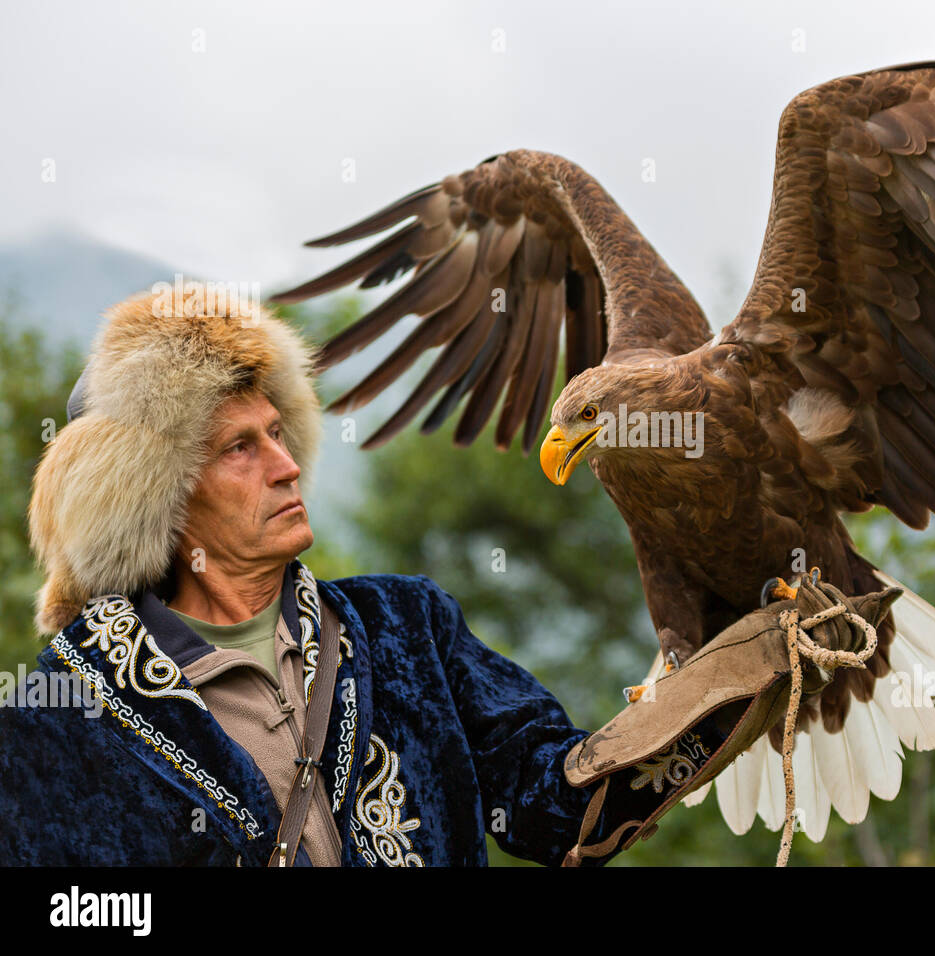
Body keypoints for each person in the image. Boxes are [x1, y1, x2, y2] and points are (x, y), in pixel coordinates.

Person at [0, 282, 888, 867]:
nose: (285, 464)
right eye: (242, 447)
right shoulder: (68, 704)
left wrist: (712, 699)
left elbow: (553, 805)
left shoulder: (403, 629)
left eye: (280, 432)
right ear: (162, 495)